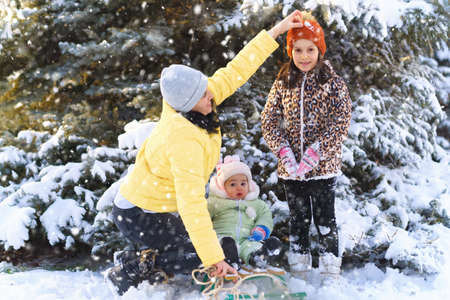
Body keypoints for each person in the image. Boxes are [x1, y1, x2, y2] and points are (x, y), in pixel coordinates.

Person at [105, 10, 304, 295]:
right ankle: (131, 268)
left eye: (206, 89)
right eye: (202, 95)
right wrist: (214, 261)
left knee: (220, 246)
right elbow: (191, 205)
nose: (211, 95)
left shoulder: (199, 98)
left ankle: (185, 259)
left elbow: (236, 70)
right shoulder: (182, 139)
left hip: (160, 206)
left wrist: (277, 30)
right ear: (185, 105)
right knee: (203, 256)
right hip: (139, 212)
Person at [261, 11, 352, 280]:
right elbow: (268, 120)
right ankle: (299, 272)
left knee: (325, 222)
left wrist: (318, 151)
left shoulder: (333, 83)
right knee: (298, 222)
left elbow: (341, 120)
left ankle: (329, 273)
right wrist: (283, 151)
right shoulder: (282, 83)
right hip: (292, 171)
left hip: (323, 168)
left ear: (319, 50)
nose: (304, 56)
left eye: (310, 49)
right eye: (298, 49)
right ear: (290, 51)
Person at [207, 155, 282, 269]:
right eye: (233, 184)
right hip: (222, 238)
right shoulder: (215, 203)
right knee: (226, 244)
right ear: (222, 187)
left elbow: (265, 215)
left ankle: (258, 257)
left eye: (243, 183)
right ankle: (230, 262)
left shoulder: (255, 203)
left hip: (247, 240)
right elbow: (202, 217)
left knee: (254, 246)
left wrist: (261, 228)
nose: (239, 188)